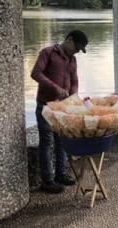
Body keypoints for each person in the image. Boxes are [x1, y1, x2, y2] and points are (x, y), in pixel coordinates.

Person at [31, 30, 88, 193]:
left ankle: (61, 175)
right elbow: (35, 73)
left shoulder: (73, 59)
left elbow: (75, 80)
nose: (77, 51)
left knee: (62, 140)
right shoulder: (48, 52)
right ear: (68, 40)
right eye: (76, 47)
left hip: (63, 107)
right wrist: (55, 88)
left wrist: (74, 96)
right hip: (46, 105)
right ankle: (47, 181)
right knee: (47, 142)